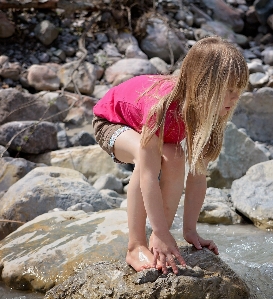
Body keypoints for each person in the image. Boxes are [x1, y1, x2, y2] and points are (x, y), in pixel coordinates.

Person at [92, 36, 249, 275]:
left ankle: (157, 235)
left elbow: (197, 176)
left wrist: (190, 231)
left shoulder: (211, 114)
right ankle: (135, 245)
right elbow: (147, 175)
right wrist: (164, 233)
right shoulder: (163, 107)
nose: (235, 98)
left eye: (238, 90)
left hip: (148, 129)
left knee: (175, 158)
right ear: (203, 86)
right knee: (146, 158)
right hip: (112, 123)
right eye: (228, 91)